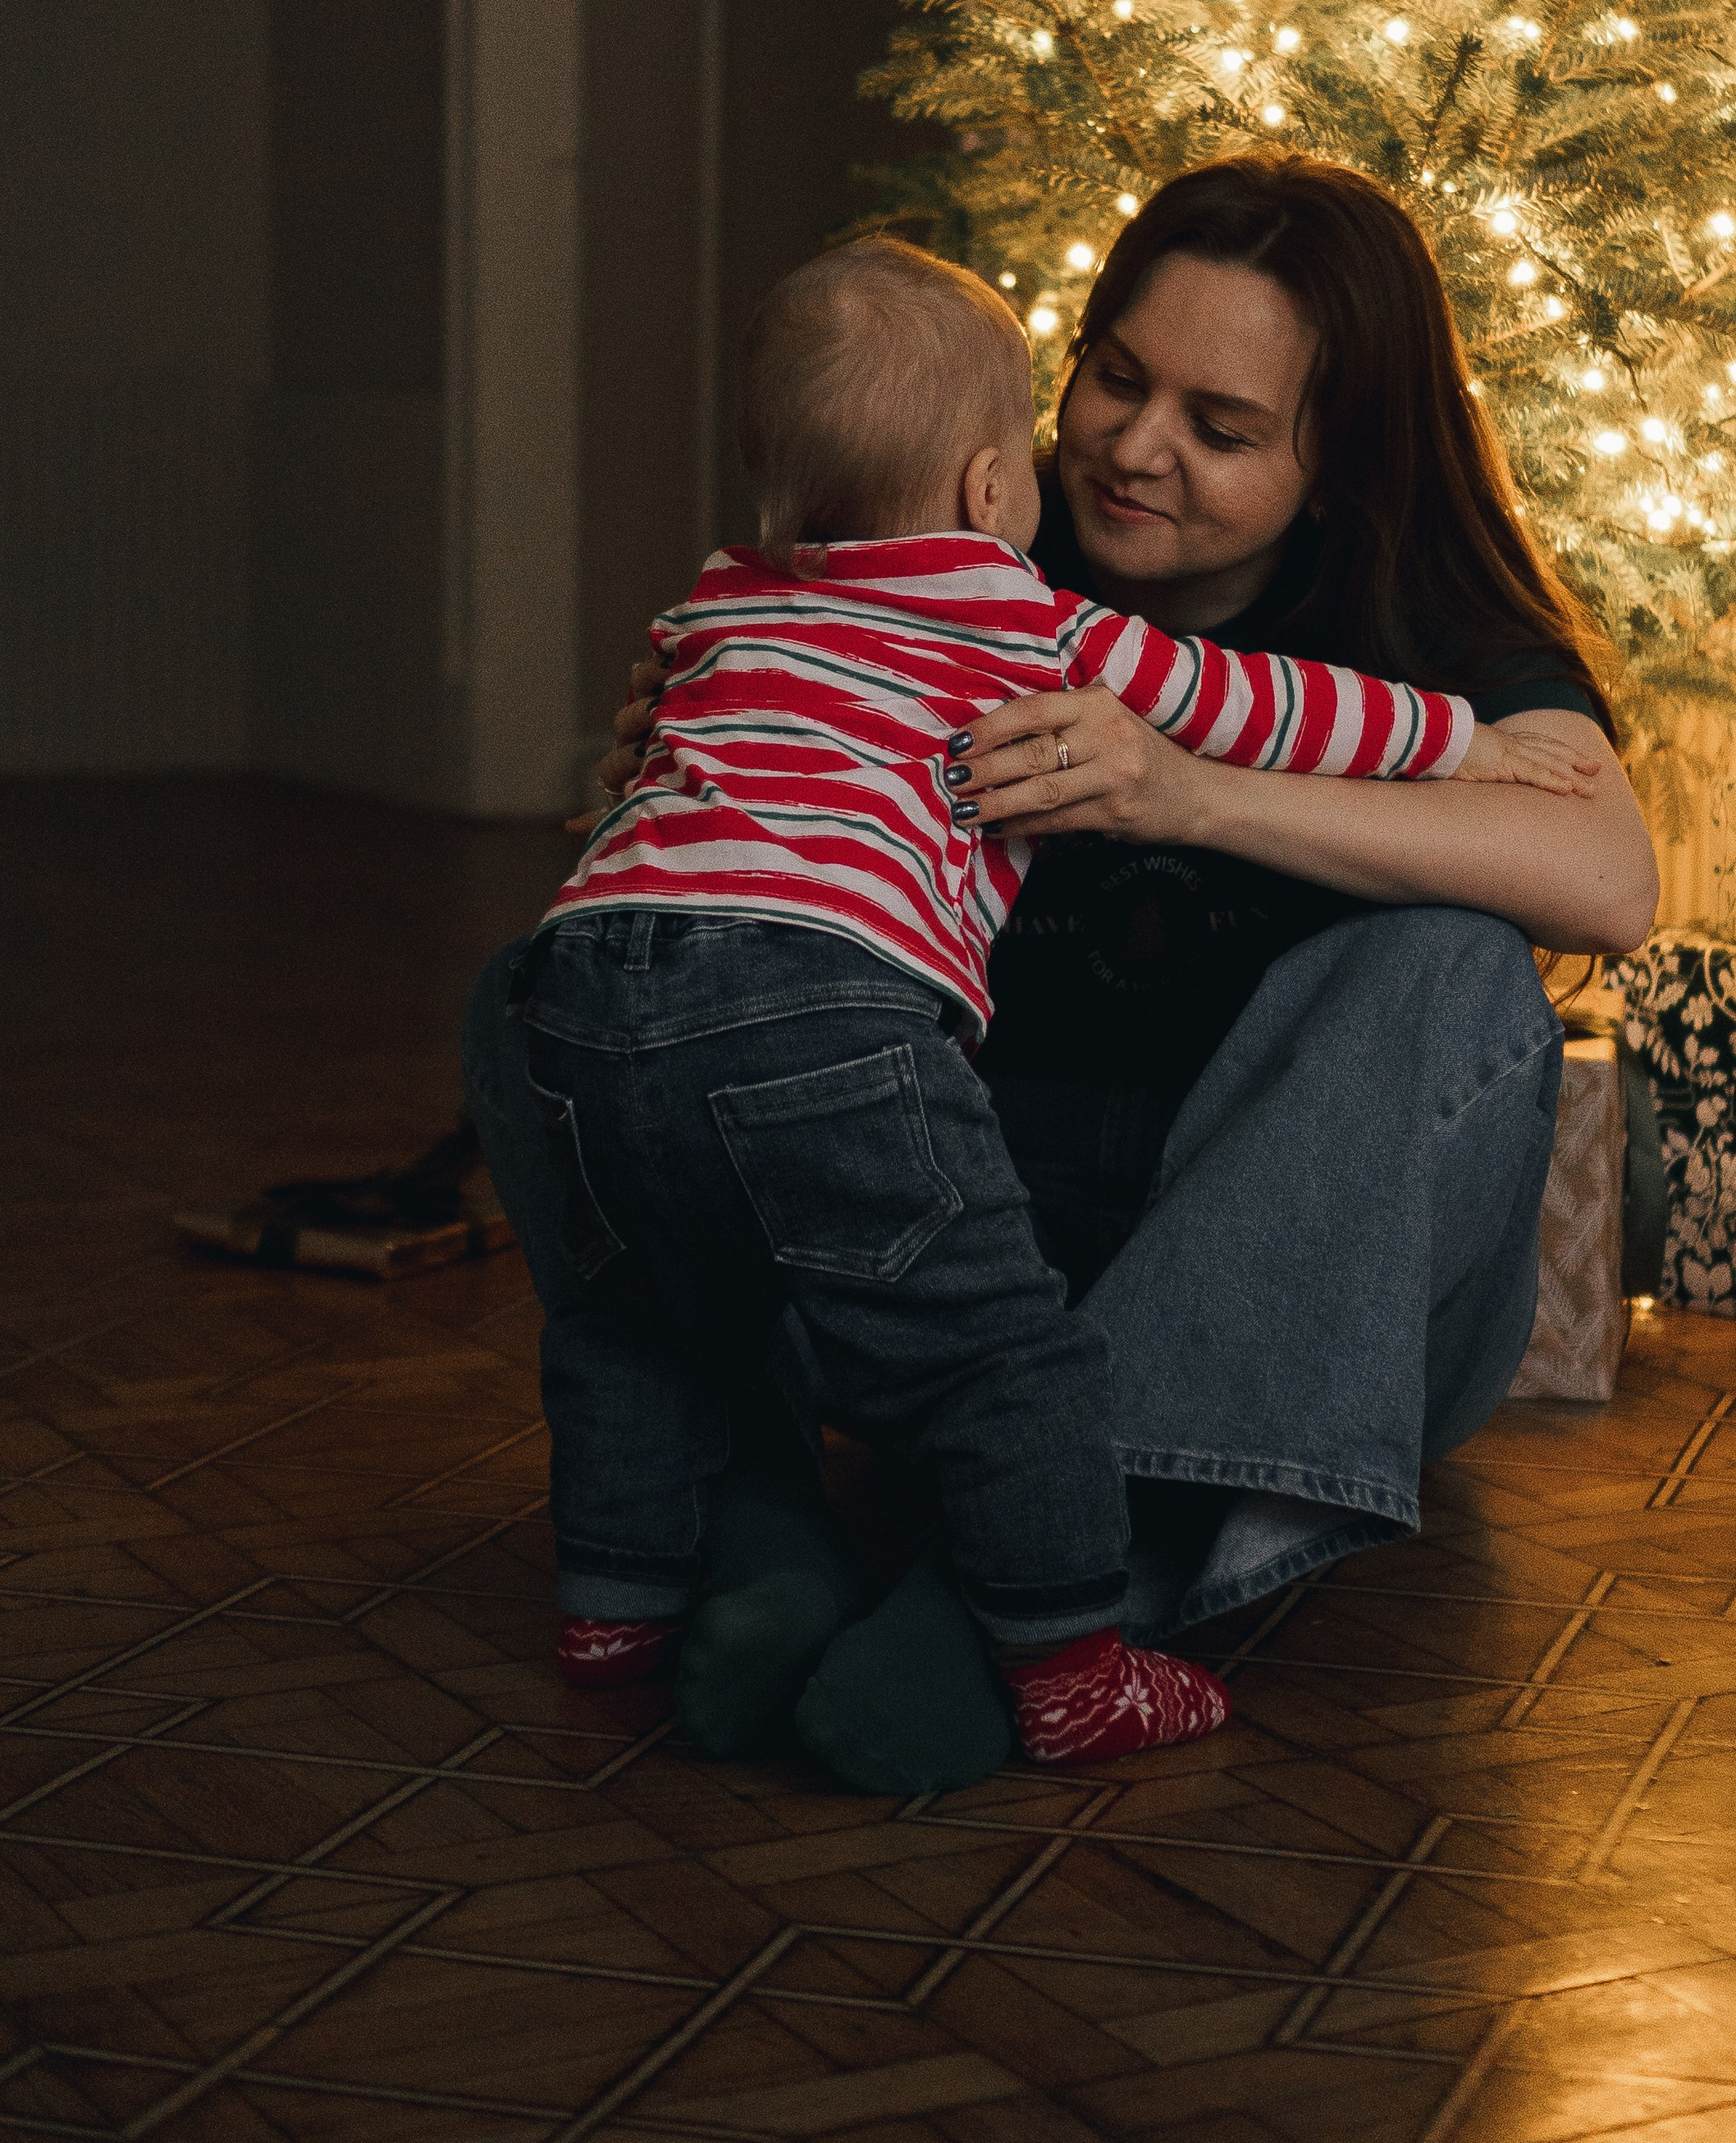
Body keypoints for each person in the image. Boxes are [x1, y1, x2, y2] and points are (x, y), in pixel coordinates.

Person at [466, 156, 1658, 1794]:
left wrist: (1190, 791)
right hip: (940, 1264)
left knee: (1446, 970)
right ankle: (745, 1520)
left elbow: (1605, 874)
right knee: (559, 984)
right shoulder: (961, 533)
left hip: (1257, 1294)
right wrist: (662, 800)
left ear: (1335, 457)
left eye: (1219, 427)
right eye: (1114, 377)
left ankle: (1034, 1589)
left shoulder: (1408, 617)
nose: (1131, 447)